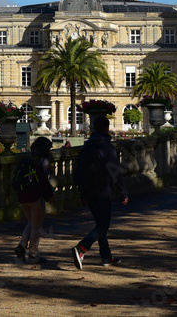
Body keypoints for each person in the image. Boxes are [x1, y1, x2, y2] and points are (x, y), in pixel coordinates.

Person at [71, 115, 128, 270]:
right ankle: (82, 247)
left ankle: (106, 257)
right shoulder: (106, 147)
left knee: (100, 224)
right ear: (106, 128)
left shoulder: (87, 146)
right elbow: (114, 172)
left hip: (88, 190)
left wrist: (82, 193)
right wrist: (123, 193)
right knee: (103, 225)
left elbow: (80, 170)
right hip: (102, 191)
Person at [15, 136, 54, 264]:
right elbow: (44, 181)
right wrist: (50, 194)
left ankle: (21, 246)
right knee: (37, 227)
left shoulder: (27, 159)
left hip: (22, 196)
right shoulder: (42, 161)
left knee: (31, 223)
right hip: (35, 196)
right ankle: (33, 254)